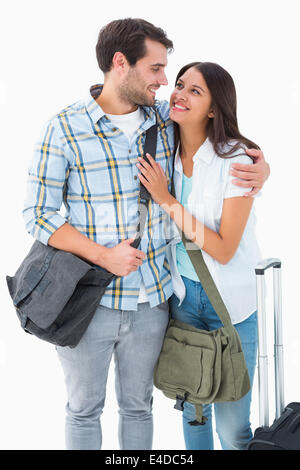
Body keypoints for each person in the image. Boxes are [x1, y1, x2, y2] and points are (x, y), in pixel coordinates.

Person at [23, 18, 269, 450]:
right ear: (121, 63)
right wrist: (103, 255)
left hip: (156, 299)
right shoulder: (64, 128)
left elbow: (218, 140)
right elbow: (37, 216)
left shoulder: (162, 118)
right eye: (156, 69)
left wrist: (262, 167)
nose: (165, 83)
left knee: (140, 407)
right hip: (90, 297)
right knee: (83, 410)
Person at [136, 61, 263, 450]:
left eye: (196, 90)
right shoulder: (164, 150)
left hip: (230, 304)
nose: (180, 94)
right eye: (180, 85)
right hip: (183, 299)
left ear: (213, 108)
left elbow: (224, 248)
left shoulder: (237, 161)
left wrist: (167, 200)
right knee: (194, 414)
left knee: (233, 429)